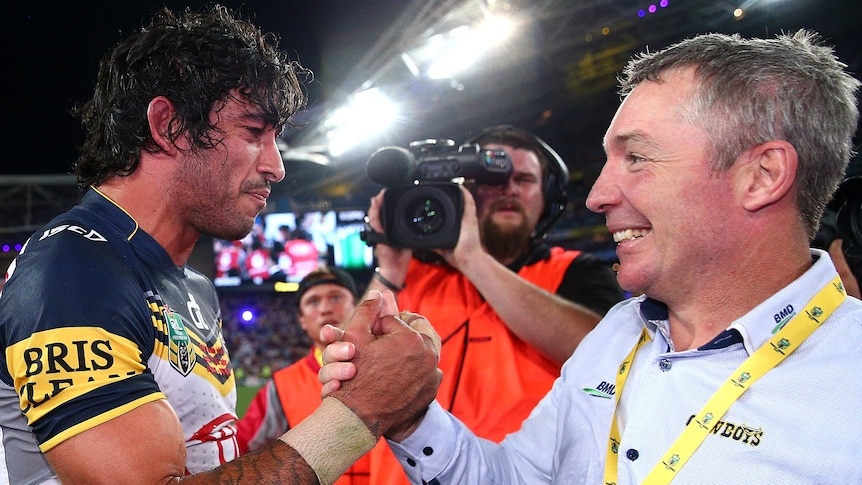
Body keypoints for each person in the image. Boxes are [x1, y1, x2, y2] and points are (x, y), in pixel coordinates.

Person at [321, 29, 862, 482]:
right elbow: (514, 476)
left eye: (638, 157)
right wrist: (415, 418)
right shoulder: (617, 336)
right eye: (608, 160)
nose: (597, 195)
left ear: (761, 176)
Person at [0, 5, 440, 485]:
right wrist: (360, 412)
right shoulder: (73, 270)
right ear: (168, 126)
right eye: (254, 132)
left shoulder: (194, 287)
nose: (277, 166)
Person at [362, 125, 624, 483]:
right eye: (492, 178)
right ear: (464, 192)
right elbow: (357, 366)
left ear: (548, 196)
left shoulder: (576, 271)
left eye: (526, 179)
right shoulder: (411, 273)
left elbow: (603, 354)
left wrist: (471, 257)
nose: (509, 189)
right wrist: (389, 267)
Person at [234, 266, 371, 483]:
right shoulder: (282, 386)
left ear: (356, 307)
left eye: (336, 297)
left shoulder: (389, 368)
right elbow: (240, 448)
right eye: (313, 302)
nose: (325, 308)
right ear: (302, 321)